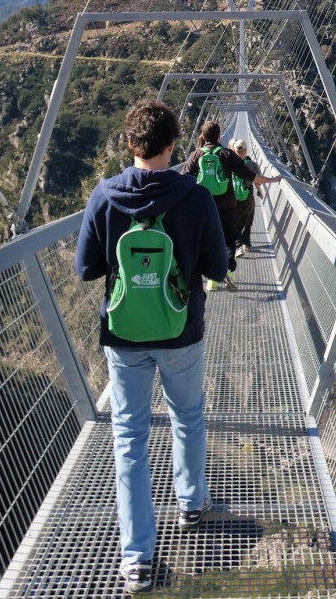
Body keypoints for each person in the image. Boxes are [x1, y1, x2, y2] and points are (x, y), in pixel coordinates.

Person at [74, 100, 227, 593]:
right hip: (181, 332)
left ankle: (137, 558)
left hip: (123, 337)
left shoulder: (104, 195)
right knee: (187, 416)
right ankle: (191, 503)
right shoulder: (196, 196)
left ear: (129, 144)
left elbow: (86, 269)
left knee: (129, 439)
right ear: (172, 145)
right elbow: (219, 269)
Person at [182, 122, 281, 290]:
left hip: (204, 205)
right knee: (228, 240)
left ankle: (212, 280)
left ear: (203, 136)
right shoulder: (227, 154)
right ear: (219, 135)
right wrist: (272, 180)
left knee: (208, 240)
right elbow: (250, 176)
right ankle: (228, 271)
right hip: (227, 206)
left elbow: (183, 179)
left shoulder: (196, 154)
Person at [230, 138, 263, 257]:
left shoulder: (230, 163)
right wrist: (260, 192)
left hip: (233, 197)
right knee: (248, 219)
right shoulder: (252, 164)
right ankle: (246, 244)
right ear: (246, 150)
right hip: (248, 197)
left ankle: (237, 245)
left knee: (236, 221)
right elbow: (258, 181)